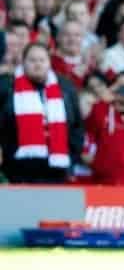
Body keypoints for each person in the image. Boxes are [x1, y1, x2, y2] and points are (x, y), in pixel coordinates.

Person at [0, 42, 83, 183]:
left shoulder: (65, 87)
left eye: (42, 60)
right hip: (18, 167)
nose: (37, 65)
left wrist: (71, 158)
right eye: (32, 60)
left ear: (49, 62)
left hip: (56, 167)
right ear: (23, 62)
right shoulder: (7, 87)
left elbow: (76, 127)